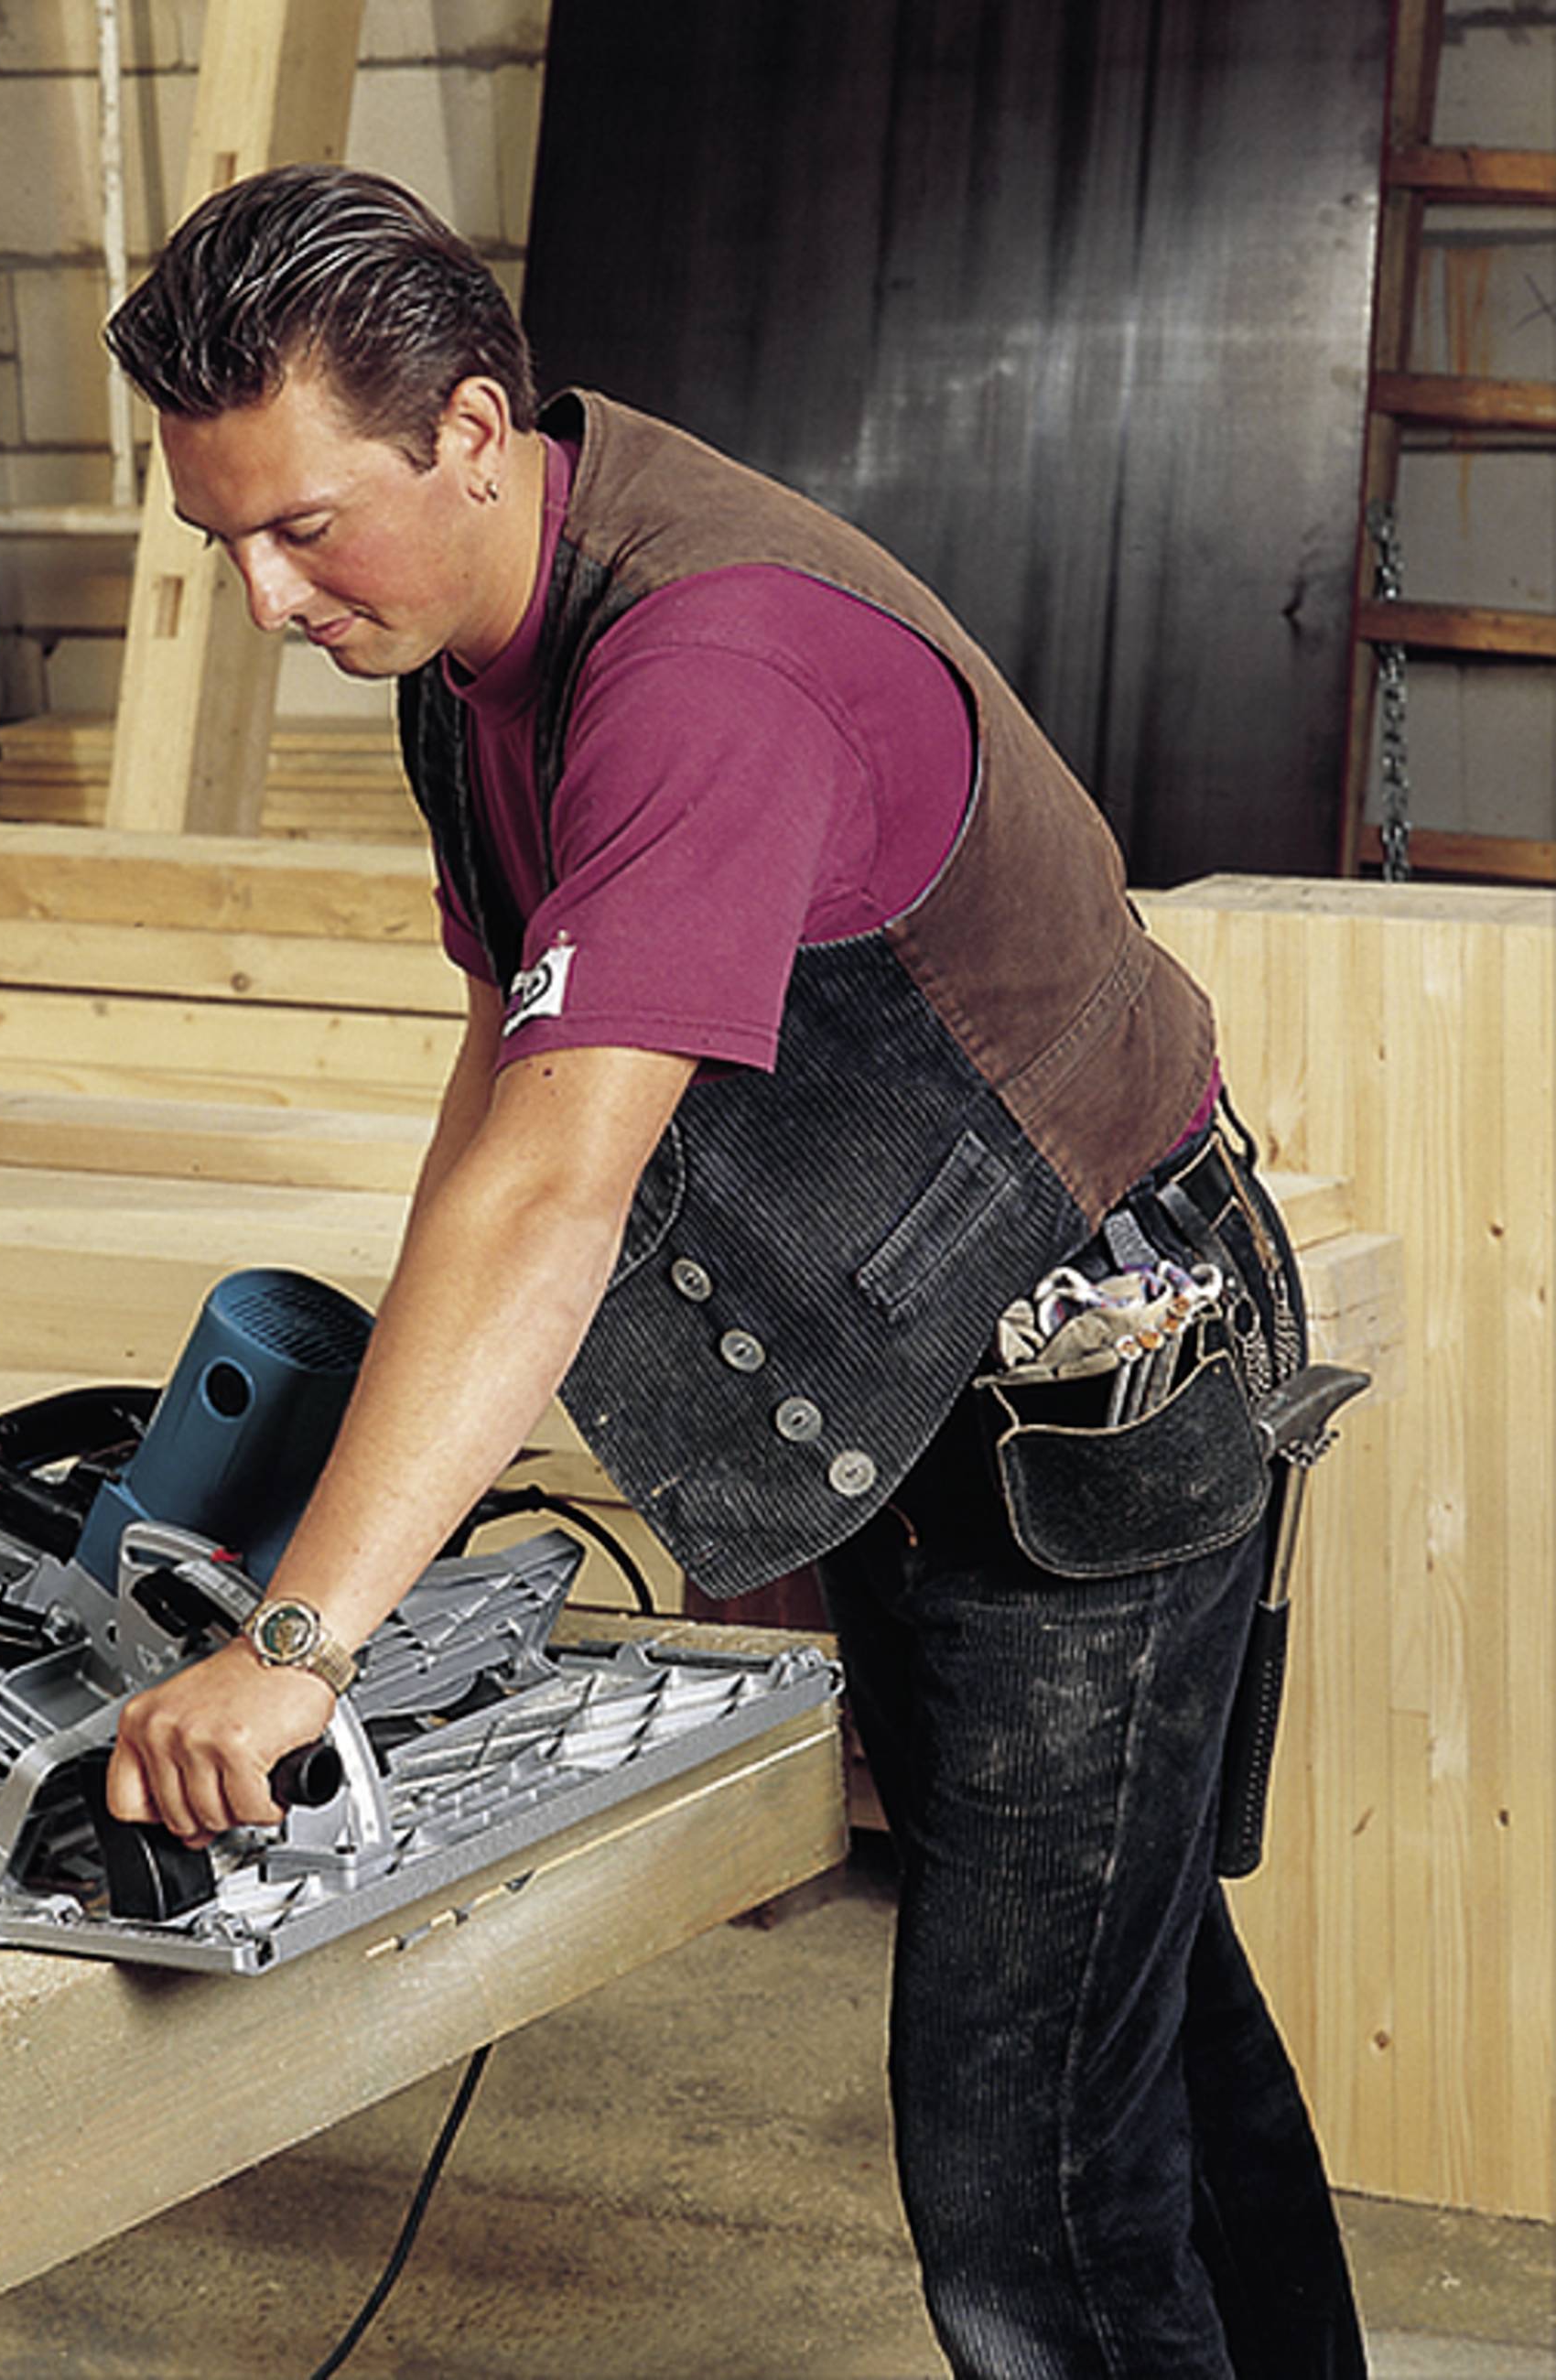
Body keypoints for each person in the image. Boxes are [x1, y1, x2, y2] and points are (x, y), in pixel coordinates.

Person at [99, 161, 1364, 2379]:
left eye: (300, 527)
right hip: (925, 1368)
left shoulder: (701, 668)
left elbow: (560, 1192)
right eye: (224, 544)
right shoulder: (468, 652)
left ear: (469, 433)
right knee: (1130, 2014)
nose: (267, 597)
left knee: (1022, 2182)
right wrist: (359, 1503)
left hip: (1097, 1387)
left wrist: (303, 1642)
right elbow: (503, 1095)